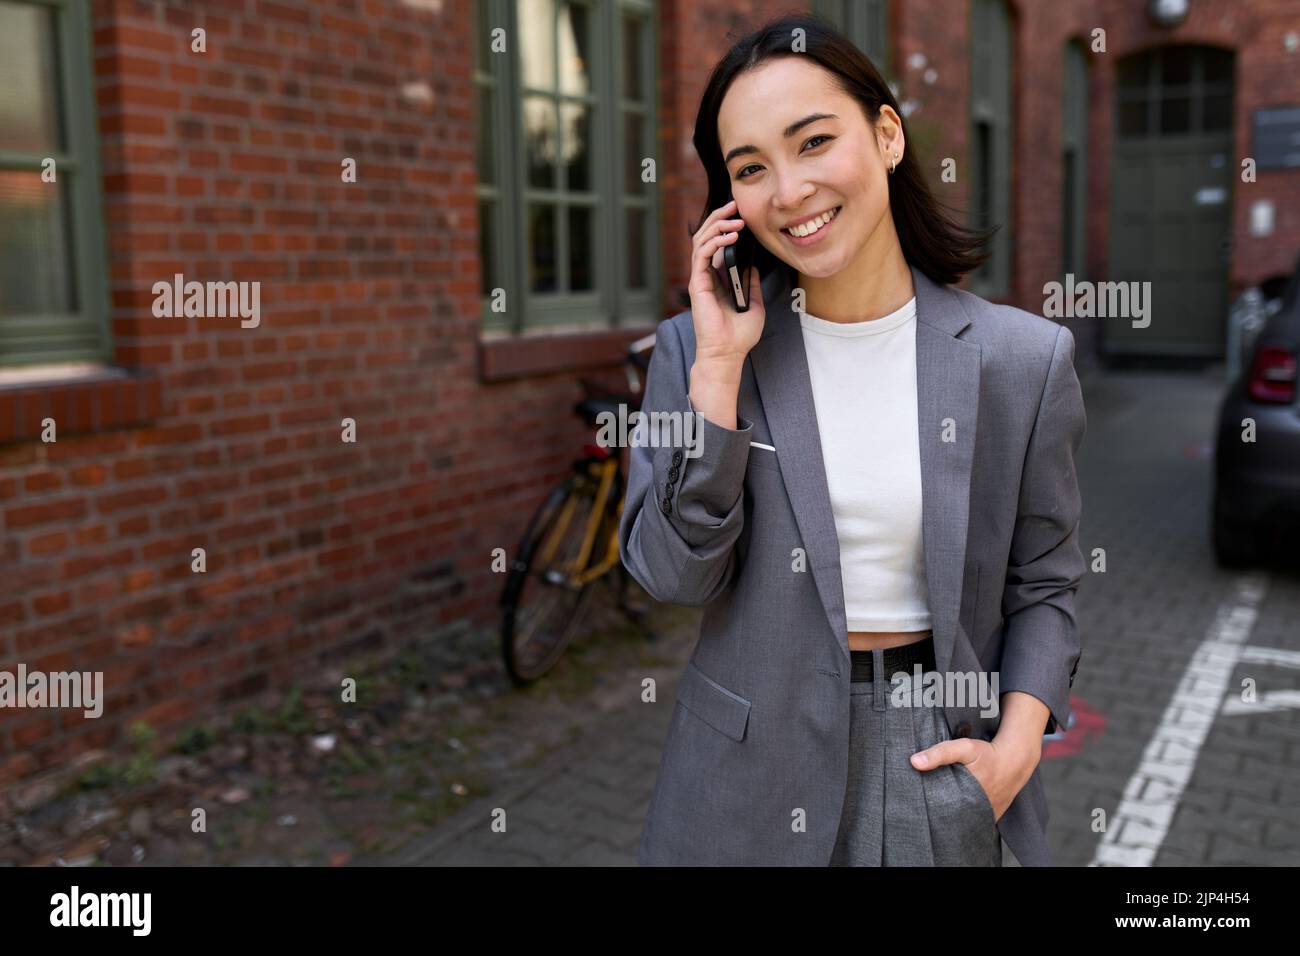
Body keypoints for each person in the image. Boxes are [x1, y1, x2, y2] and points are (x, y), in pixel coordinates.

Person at [618, 13, 1086, 866]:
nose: (788, 190)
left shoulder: (1021, 360)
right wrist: (720, 374)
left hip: (935, 753)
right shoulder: (699, 349)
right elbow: (671, 576)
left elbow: (1046, 582)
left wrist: (1014, 751)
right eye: (750, 167)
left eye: (813, 142)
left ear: (887, 134)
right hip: (742, 774)